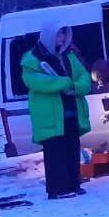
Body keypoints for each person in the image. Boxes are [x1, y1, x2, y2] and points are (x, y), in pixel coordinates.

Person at [21, 22, 91, 200]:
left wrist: (75, 87)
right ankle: (57, 189)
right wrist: (65, 83)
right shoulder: (32, 58)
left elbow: (83, 77)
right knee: (55, 152)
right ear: (50, 36)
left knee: (72, 149)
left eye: (64, 35)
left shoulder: (69, 56)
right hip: (50, 116)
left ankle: (73, 183)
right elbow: (34, 81)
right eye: (59, 35)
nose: (61, 39)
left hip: (71, 112)